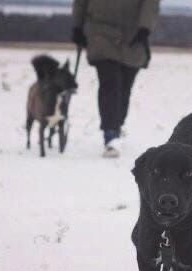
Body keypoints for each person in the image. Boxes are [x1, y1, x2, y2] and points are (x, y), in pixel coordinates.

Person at [71, 0, 160, 158]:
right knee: (110, 84)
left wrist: (145, 28)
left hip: (133, 36)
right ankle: (110, 134)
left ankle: (116, 127)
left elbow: (150, 3)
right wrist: (77, 26)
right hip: (100, 32)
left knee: (124, 87)